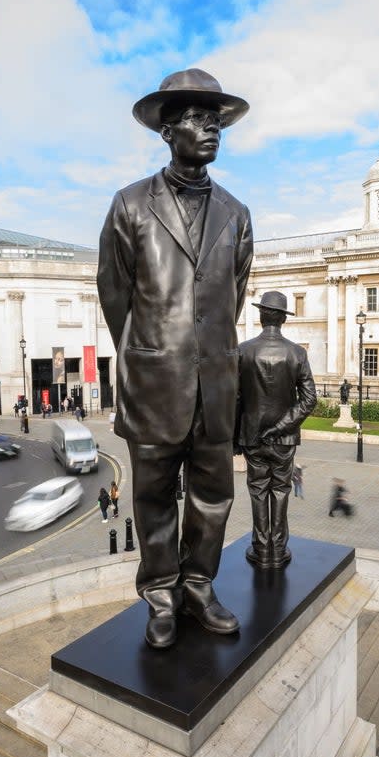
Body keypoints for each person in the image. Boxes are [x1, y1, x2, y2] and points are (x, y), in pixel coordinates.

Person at [97, 68, 253, 649]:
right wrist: (148, 352)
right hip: (153, 381)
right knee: (154, 496)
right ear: (168, 130)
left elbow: (233, 295)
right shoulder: (131, 204)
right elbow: (114, 292)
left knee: (215, 495)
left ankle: (199, 587)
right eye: (196, 119)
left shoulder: (236, 212)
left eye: (216, 122)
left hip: (216, 383)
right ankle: (160, 593)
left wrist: (202, 352)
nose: (210, 130)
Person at [235, 291, 317, 568]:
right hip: (284, 438)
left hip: (252, 435)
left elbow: (234, 397)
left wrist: (237, 437)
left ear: (261, 316)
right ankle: (278, 549)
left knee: (258, 490)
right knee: (281, 489)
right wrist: (281, 427)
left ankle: (260, 548)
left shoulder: (243, 350)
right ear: (283, 318)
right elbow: (309, 400)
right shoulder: (297, 353)